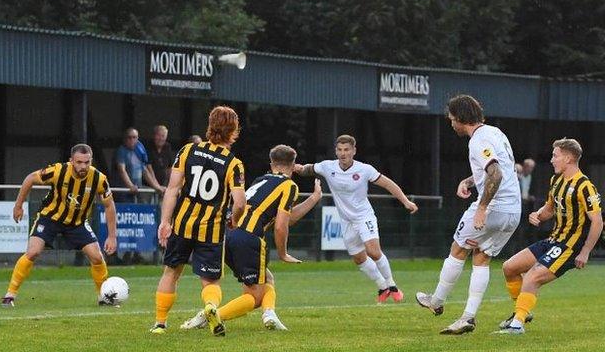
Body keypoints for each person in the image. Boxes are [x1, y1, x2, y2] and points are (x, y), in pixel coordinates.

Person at [182, 146, 324, 335]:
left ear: (271, 163)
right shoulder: (290, 186)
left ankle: (269, 314)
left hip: (228, 234)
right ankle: (211, 315)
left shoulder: (261, 180)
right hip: (249, 238)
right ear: (293, 164)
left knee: (267, 278)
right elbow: (281, 225)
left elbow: (287, 217)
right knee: (254, 296)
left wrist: (314, 199)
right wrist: (283, 254)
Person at [416, 94, 522, 334]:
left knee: (458, 248)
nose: (451, 123)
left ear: (461, 118)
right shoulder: (496, 133)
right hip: (513, 211)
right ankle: (468, 317)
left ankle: (437, 301)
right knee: (481, 257)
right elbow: (498, 169)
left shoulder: (477, 141)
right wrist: (469, 181)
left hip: (494, 208)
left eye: (452, 118)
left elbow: (495, 174)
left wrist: (482, 208)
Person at [151, 106, 247, 334]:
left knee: (171, 272)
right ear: (233, 131)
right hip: (211, 230)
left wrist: (165, 221)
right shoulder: (233, 163)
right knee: (210, 281)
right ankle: (211, 307)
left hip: (183, 225)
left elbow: (172, 189)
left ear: (210, 126)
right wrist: (233, 219)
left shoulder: (187, 151)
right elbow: (240, 202)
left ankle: (160, 323)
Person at [294, 135, 418, 302]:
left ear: (354, 151)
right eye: (339, 150)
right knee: (358, 258)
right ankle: (382, 287)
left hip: (364, 216)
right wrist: (292, 166)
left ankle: (392, 285)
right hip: (346, 220)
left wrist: (405, 201)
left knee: (373, 251)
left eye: (346, 150)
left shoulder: (365, 169)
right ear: (336, 151)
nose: (343, 153)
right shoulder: (327, 166)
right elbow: (306, 169)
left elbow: (388, 184)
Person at [496, 139, 601, 334]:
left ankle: (517, 325)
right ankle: (522, 312)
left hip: (570, 246)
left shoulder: (585, 186)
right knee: (510, 267)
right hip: (553, 240)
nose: (552, 159)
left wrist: (585, 252)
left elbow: (597, 221)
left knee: (533, 276)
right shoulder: (556, 180)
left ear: (568, 158)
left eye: (555, 155)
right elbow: (550, 209)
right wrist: (538, 215)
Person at [2, 144, 118, 307]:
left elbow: (109, 206)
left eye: (87, 162)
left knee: (97, 257)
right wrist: (18, 205)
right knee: (33, 252)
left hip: (77, 223)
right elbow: (30, 178)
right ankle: (9, 295)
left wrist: (112, 236)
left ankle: (104, 297)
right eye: (79, 162)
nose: (83, 166)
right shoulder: (58, 171)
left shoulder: (99, 179)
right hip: (50, 218)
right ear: (71, 161)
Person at [114, 127, 165, 201]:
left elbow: (144, 171)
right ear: (125, 139)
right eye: (129, 137)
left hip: (138, 190)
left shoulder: (139, 149)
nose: (132, 140)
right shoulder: (121, 151)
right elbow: (122, 170)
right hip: (124, 191)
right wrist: (130, 186)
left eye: (134, 137)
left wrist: (157, 187)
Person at [146, 125, 175, 190]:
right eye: (158, 135)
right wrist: (157, 186)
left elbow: (169, 168)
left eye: (163, 136)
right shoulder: (148, 147)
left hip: (163, 186)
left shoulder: (167, 147)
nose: (160, 138)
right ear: (154, 135)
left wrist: (171, 186)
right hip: (147, 186)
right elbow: (148, 168)